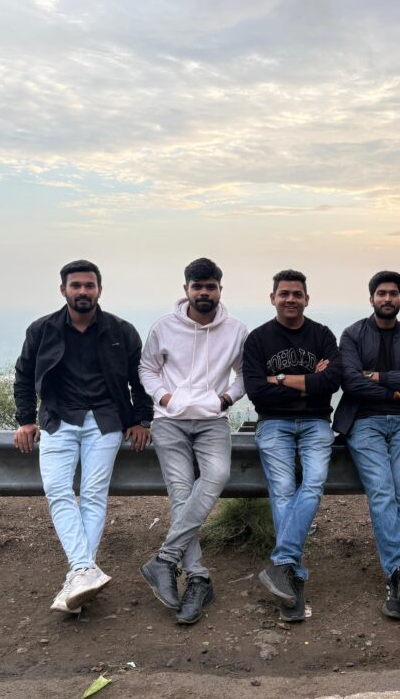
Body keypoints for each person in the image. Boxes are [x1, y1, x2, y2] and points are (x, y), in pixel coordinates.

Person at [13, 259, 152, 615]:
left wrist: (140, 420)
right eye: (76, 286)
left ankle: (79, 574)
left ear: (99, 290)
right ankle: (83, 571)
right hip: (58, 421)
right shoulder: (41, 330)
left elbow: (140, 380)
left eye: (89, 286)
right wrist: (26, 420)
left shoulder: (121, 331)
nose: (83, 291)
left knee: (92, 495)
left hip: (105, 422)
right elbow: (24, 376)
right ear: (63, 290)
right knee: (58, 492)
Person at [137, 258, 247, 624]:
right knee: (181, 495)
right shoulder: (164, 327)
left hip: (212, 421)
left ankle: (165, 560)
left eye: (211, 286)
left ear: (220, 289)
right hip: (169, 422)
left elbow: (244, 374)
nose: (204, 292)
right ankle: (197, 578)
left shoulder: (235, 330)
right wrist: (166, 399)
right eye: (197, 286)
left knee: (217, 475)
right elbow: (147, 368)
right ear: (186, 289)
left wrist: (225, 400)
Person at [243, 269, 342, 621]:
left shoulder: (322, 335)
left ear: (306, 299)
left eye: (296, 294)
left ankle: (282, 565)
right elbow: (257, 390)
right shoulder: (257, 340)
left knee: (313, 484)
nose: (290, 299)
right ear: (272, 298)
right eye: (283, 293)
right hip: (274, 423)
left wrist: (281, 378)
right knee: (283, 490)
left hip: (316, 421)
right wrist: (307, 379)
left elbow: (331, 382)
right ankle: (290, 573)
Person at [334, 271, 400, 620]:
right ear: (371, 297)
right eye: (381, 293)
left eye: (393, 294)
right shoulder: (352, 335)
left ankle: (399, 576)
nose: (387, 299)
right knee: (382, 491)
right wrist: (394, 385)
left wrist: (375, 375)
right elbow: (350, 383)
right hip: (363, 421)